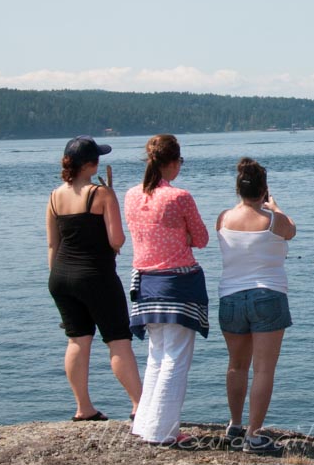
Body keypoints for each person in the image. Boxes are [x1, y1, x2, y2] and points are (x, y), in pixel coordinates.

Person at [46, 136, 142, 422]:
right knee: (118, 341)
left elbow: (53, 245)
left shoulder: (54, 196)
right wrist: (112, 200)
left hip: (61, 277)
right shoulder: (101, 194)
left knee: (77, 341)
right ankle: (140, 405)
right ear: (90, 164)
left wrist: (57, 277)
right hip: (96, 276)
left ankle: (83, 408)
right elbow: (116, 240)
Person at [124, 134, 210, 446]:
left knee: (156, 356)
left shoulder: (131, 195)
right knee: (175, 359)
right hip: (177, 285)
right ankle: (163, 431)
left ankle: (146, 424)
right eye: (180, 162)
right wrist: (182, 237)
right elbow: (201, 238)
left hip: (146, 284)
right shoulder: (179, 197)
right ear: (172, 162)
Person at [216, 157, 297, 453]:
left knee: (236, 366)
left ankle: (234, 426)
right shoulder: (274, 220)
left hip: (231, 297)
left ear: (238, 189)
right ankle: (255, 435)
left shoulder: (223, 218)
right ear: (264, 190)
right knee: (263, 370)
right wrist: (275, 207)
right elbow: (292, 230)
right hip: (268, 295)